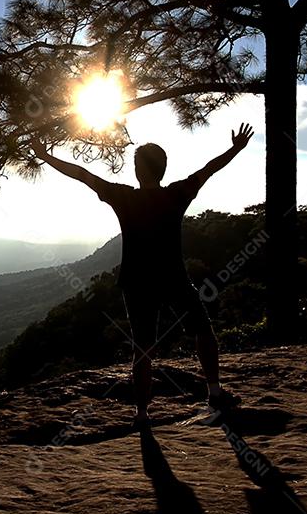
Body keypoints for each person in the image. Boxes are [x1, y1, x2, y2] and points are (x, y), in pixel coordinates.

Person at [32, 123, 254, 430]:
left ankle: (142, 414)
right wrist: (236, 148)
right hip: (174, 277)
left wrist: (45, 155)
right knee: (203, 330)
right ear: (163, 169)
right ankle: (214, 393)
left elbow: (82, 174)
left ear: (137, 170)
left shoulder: (123, 197)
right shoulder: (177, 194)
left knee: (143, 348)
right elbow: (209, 169)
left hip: (136, 283)